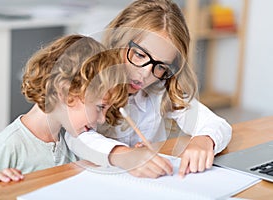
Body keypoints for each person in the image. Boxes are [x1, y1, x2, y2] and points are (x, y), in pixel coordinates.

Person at [0, 34, 173, 185]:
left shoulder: (68, 139)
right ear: (66, 92)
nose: (102, 119)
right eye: (100, 107)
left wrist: (129, 155)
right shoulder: (8, 145)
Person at [66, 0, 232, 177]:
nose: (146, 74)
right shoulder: (93, 80)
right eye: (139, 54)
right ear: (118, 39)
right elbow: (75, 136)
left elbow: (217, 124)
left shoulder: (159, 90)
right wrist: (123, 155)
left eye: (161, 66)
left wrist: (204, 140)